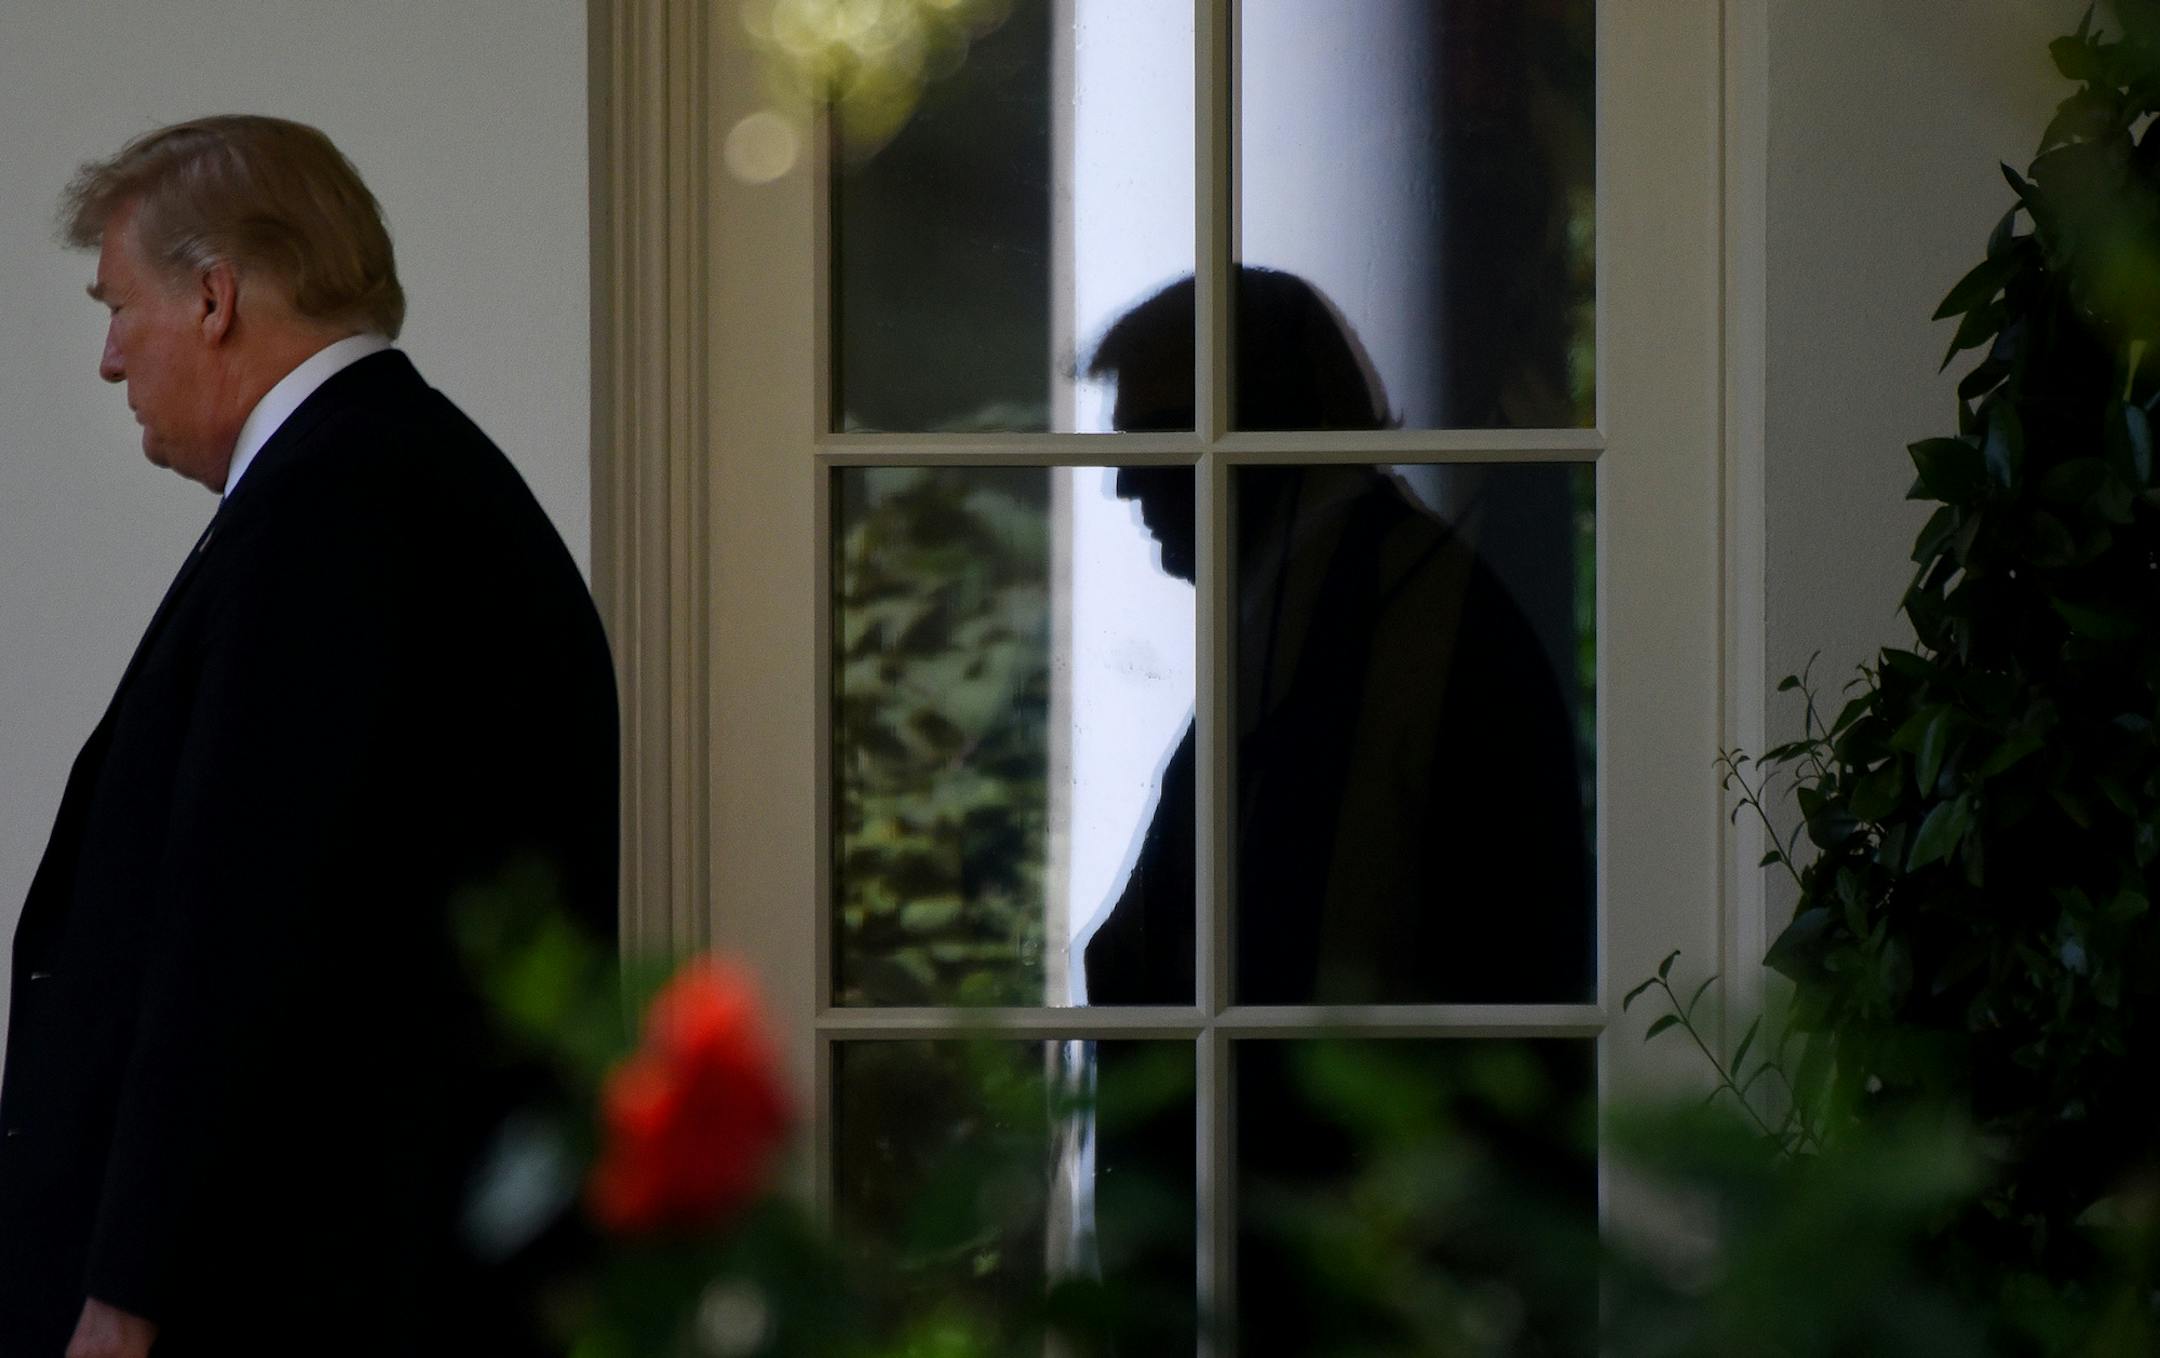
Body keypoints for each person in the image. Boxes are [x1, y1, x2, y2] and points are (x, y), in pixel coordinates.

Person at [0, 116, 617, 1357]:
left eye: (120, 307)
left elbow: (238, 932)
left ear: (215, 296)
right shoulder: (383, 479)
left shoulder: (337, 512)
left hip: (290, 1294)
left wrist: (128, 1293)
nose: (112, 359)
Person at [1081, 268, 1591, 1006]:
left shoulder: (1401, 633)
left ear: (1260, 427)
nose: (1123, 484)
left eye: (1156, 438)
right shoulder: (1375, 611)